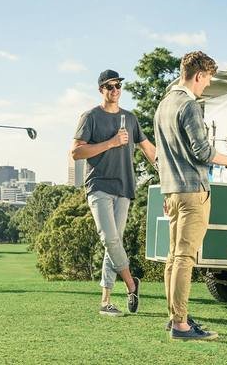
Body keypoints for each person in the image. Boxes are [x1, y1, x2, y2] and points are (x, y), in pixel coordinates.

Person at [154, 51, 227, 341]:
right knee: (185, 257)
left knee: (173, 256)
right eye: (208, 80)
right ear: (199, 75)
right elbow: (201, 151)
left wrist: (167, 189)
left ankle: (174, 317)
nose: (206, 86)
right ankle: (180, 325)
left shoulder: (163, 105)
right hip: (193, 192)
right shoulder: (188, 105)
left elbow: (160, 157)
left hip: (173, 192)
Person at [72, 69, 157, 317]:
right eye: (110, 86)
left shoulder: (130, 119)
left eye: (118, 86)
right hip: (98, 185)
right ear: (101, 90)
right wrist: (111, 142)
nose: (115, 90)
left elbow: (148, 149)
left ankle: (106, 300)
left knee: (114, 243)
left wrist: (166, 170)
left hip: (124, 187)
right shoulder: (90, 117)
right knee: (109, 238)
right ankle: (132, 283)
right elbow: (76, 152)